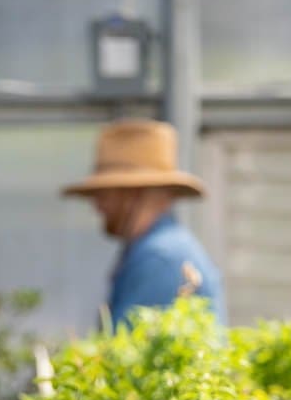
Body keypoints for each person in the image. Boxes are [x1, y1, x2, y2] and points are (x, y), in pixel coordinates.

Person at [62, 118, 225, 328]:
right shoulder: (155, 248)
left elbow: (123, 352)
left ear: (132, 194)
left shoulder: (160, 259)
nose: (97, 207)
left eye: (103, 195)